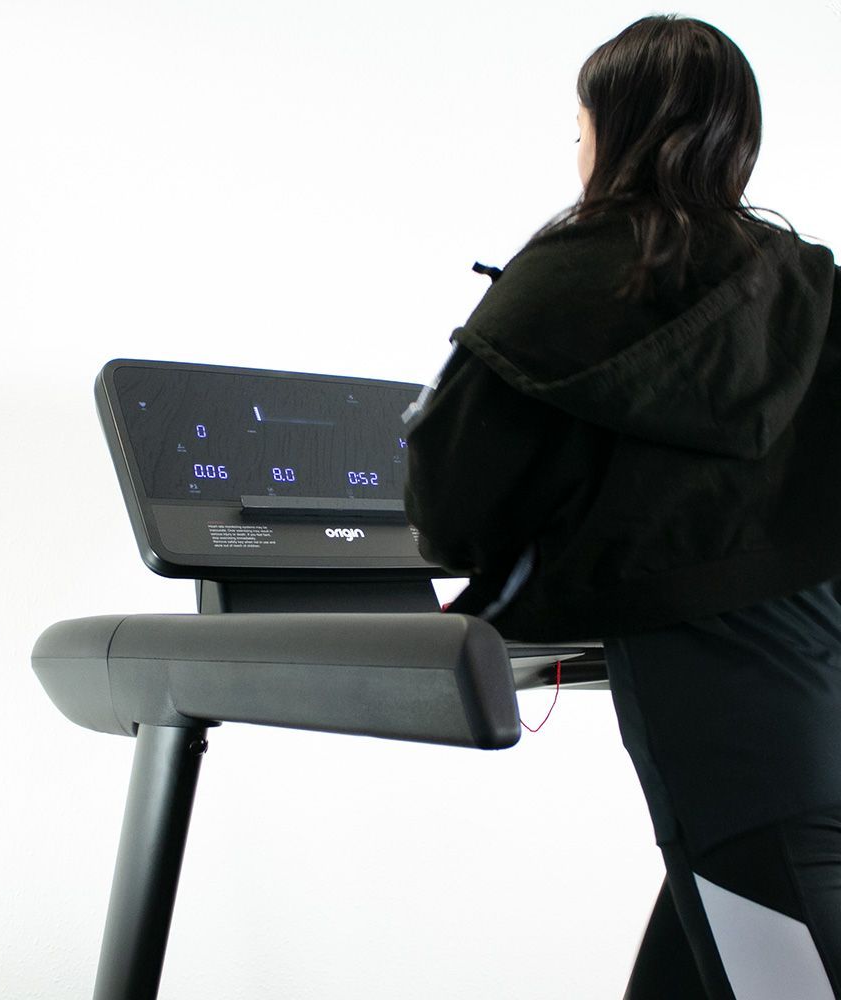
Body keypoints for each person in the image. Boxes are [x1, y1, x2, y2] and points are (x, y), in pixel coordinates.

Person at [403, 14, 841, 1000]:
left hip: (733, 738)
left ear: (613, 125)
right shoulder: (805, 281)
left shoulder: (577, 266)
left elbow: (449, 502)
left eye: (579, 125)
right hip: (821, 688)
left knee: (779, 966)